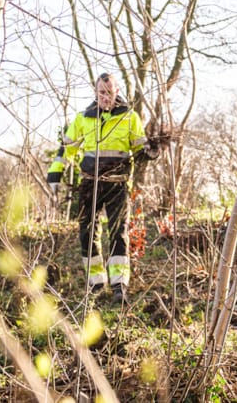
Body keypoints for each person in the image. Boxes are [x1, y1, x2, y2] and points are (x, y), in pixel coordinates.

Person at [47, 73, 161, 305]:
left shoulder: (130, 117)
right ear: (96, 92)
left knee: (119, 234)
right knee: (87, 234)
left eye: (110, 92)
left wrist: (152, 150)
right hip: (89, 183)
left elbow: (140, 149)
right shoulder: (83, 119)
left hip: (118, 184)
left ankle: (119, 285)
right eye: (102, 92)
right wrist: (55, 173)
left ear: (117, 91)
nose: (106, 97)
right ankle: (96, 283)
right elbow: (66, 150)